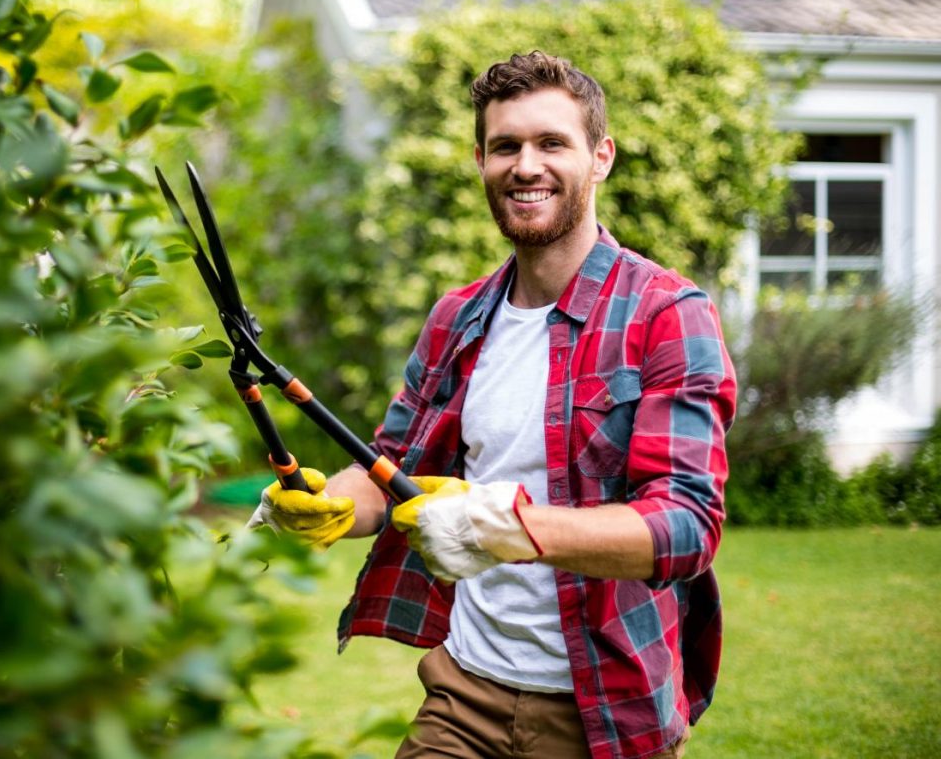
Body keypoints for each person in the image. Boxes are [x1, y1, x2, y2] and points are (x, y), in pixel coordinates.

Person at [248, 51, 736, 759]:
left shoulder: (667, 314)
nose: (526, 165)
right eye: (505, 145)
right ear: (480, 159)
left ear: (600, 157)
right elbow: (389, 470)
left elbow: (686, 527)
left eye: (551, 143)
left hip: (603, 707)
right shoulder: (459, 316)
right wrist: (329, 503)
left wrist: (509, 529)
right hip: (464, 692)